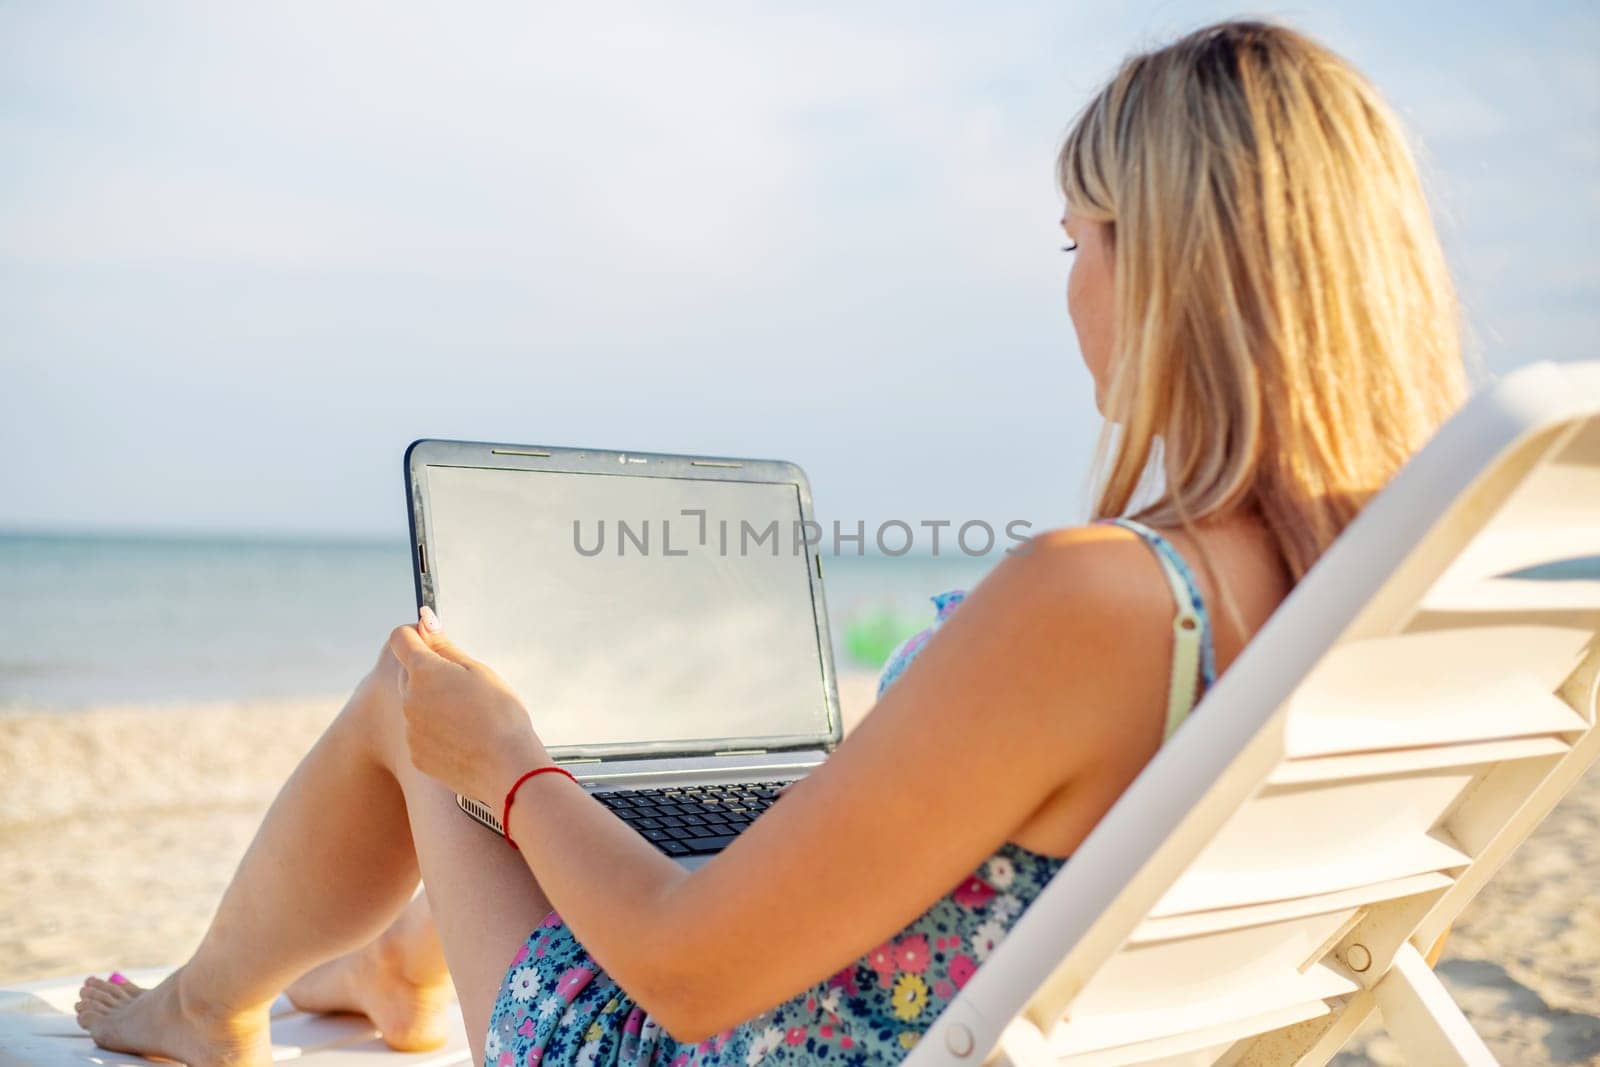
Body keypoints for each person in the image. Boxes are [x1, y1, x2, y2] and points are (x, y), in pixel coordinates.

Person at [73, 17, 1471, 1067]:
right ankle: (396, 966)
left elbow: (684, 975)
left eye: (1077, 243)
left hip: (700, 1040)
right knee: (662, 800)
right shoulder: (1377, 602)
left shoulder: (1105, 597)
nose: (1075, 290)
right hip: (969, 1005)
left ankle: (205, 1006)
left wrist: (512, 764)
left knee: (421, 693)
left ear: (1164, 259)